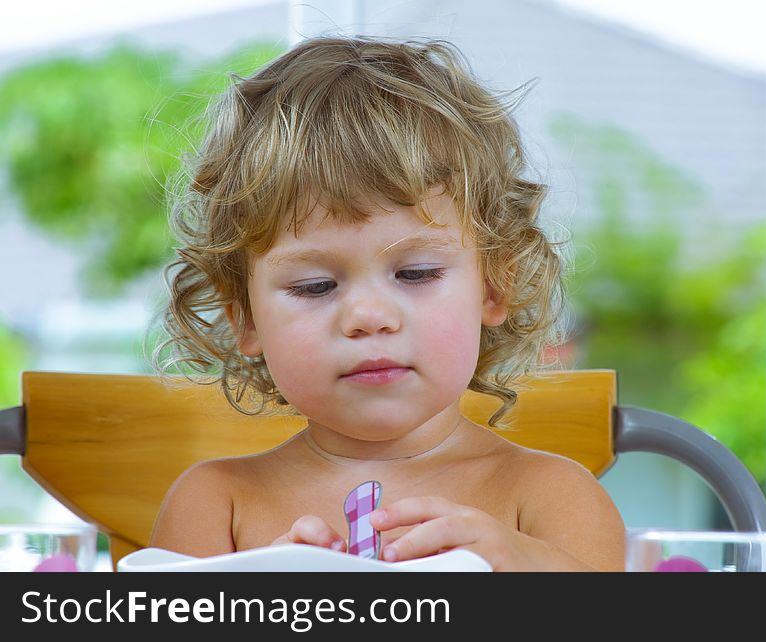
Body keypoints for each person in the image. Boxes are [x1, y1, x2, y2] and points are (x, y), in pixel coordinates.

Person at [149, 35, 624, 571]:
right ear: (246, 318)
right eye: (314, 286)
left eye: (416, 273)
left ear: (494, 288)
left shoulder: (552, 499)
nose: (368, 317)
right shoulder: (215, 504)